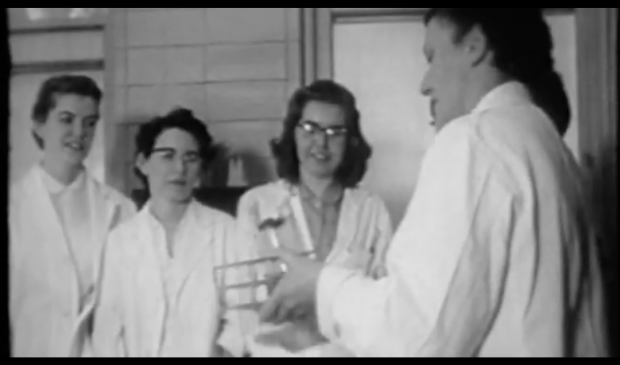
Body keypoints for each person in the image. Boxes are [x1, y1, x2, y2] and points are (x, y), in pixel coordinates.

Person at [258, 8, 608, 357]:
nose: (424, 84)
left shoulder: (475, 140)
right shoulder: (552, 149)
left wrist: (321, 286)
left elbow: (416, 338)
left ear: (474, 45)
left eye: (433, 57)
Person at [237, 80, 393, 356]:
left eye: (335, 132)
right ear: (292, 133)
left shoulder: (371, 210)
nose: (321, 142)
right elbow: (245, 307)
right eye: (310, 129)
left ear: (350, 140)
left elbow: (383, 304)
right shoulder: (257, 205)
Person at [91, 108, 260, 357]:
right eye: (167, 156)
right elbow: (107, 332)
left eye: (190, 157)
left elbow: (244, 315)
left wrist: (224, 352)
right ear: (143, 163)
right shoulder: (120, 241)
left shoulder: (227, 231)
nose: (180, 168)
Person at [9, 74, 137, 357]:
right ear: (39, 125)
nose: (80, 132)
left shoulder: (120, 210)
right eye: (66, 119)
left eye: (89, 123)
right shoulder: (14, 208)